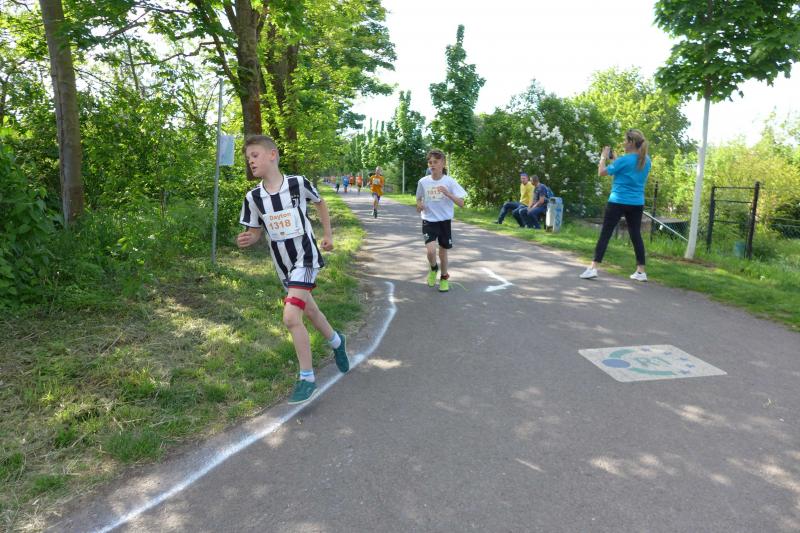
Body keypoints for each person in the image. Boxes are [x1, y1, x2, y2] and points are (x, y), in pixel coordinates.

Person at [237, 135, 349, 405]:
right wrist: (249, 238)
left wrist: (328, 235)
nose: (250, 161)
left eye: (255, 155)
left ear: (272, 154)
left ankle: (307, 378)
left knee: (290, 317)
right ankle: (337, 342)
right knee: (310, 311)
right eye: (248, 158)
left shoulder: (298, 183)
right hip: (283, 266)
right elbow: (255, 230)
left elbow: (320, 202)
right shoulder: (253, 198)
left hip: (305, 259)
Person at [580, 129, 651, 282]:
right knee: (636, 235)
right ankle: (641, 271)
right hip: (637, 203)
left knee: (606, 233)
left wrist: (603, 157)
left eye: (625, 140)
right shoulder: (646, 160)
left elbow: (601, 172)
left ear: (631, 142)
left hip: (617, 201)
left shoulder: (624, 161)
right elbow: (627, 171)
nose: (623, 143)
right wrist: (615, 159)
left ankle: (593, 268)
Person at [416, 149, 467, 292]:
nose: (432, 164)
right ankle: (433, 268)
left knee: (443, 253)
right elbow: (418, 198)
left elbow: (461, 203)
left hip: (444, 222)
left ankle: (444, 278)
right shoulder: (423, 182)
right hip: (428, 220)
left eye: (435, 162)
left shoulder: (449, 182)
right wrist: (419, 205)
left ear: (443, 163)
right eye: (430, 162)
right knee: (431, 251)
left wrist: (447, 193)